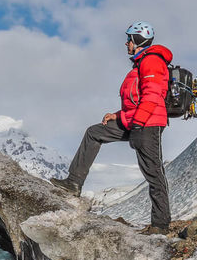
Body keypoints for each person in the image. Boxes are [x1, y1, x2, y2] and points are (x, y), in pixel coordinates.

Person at [52, 21, 173, 234]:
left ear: (138, 40)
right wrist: (117, 115)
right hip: (135, 120)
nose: (126, 43)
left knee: (153, 172)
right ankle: (73, 183)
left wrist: (137, 124)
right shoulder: (140, 63)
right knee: (94, 132)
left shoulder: (152, 61)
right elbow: (134, 100)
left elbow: (152, 95)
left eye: (129, 39)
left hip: (147, 123)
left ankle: (161, 225)